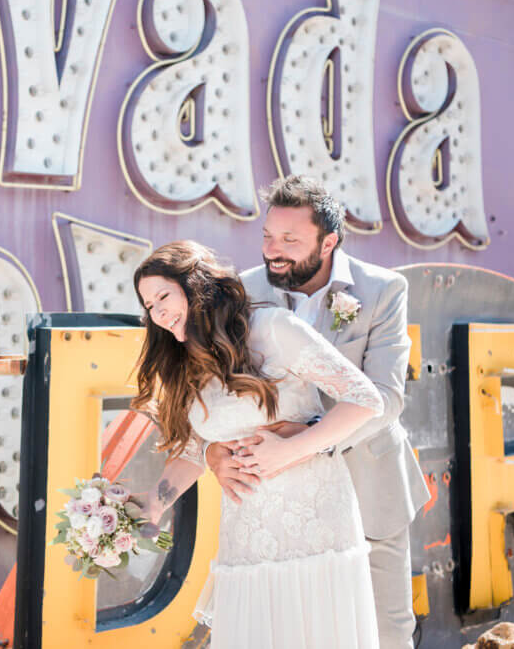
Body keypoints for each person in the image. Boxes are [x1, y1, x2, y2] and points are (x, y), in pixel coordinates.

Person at [204, 175, 430, 649]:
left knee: (387, 632)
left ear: (329, 241)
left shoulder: (384, 290)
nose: (273, 249)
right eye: (267, 235)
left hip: (371, 482)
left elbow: (386, 397)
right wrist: (212, 453)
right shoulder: (239, 292)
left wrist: (302, 440)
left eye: (290, 239)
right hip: (283, 501)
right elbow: (211, 386)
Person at [134, 240, 383, 649]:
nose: (157, 313)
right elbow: (196, 450)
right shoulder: (189, 362)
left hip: (315, 529)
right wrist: (155, 505)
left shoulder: (273, 329)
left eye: (163, 296)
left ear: (197, 285)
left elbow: (364, 400)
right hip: (246, 537)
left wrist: (292, 448)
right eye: (148, 306)